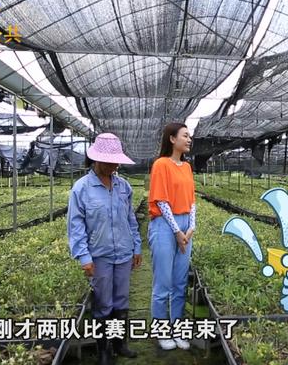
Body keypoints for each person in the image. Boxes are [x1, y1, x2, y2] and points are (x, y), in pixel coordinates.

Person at [67, 133, 142, 365]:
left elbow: (130, 219)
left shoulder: (124, 187)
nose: (114, 166)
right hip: (98, 256)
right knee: (103, 303)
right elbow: (76, 225)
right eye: (109, 161)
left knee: (121, 301)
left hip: (123, 253)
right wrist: (83, 256)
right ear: (96, 160)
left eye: (116, 162)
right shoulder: (81, 189)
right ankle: (103, 350)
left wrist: (136, 246)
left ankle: (120, 344)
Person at [148, 123, 196, 351]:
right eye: (185, 135)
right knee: (163, 284)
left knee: (180, 283)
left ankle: (177, 330)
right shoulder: (161, 165)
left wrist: (191, 227)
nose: (189, 139)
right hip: (165, 226)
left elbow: (192, 200)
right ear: (172, 139)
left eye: (189, 136)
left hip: (185, 225)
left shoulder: (186, 167)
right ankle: (161, 331)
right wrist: (177, 231)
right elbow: (160, 200)